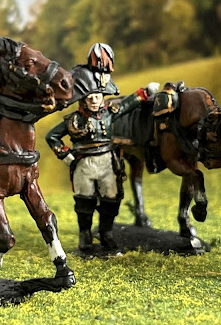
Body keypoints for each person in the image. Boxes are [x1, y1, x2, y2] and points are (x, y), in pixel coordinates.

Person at [46, 43, 158, 251]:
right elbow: (51, 136)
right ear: (83, 99)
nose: (95, 100)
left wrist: (144, 92)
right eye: (90, 97)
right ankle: (85, 235)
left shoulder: (109, 113)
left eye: (98, 96)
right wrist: (66, 155)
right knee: (84, 203)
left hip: (107, 162)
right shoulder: (73, 119)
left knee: (111, 200)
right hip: (84, 164)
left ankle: (106, 233)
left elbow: (127, 104)